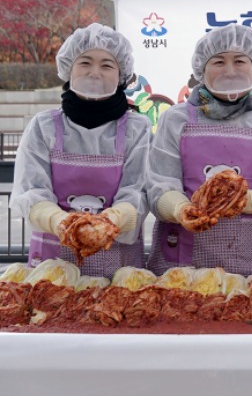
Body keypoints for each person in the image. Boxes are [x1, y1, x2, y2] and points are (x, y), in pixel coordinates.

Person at [146, 24, 252, 276]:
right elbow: (159, 185)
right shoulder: (177, 119)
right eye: (218, 62)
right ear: (202, 68)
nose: (230, 70)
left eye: (239, 61)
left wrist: (246, 200)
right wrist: (180, 209)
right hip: (182, 265)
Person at [12, 23, 149, 278]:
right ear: (68, 70)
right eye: (85, 63)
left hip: (118, 267)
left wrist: (110, 222)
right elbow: (31, 191)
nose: (95, 72)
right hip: (51, 266)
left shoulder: (137, 128)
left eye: (107, 65)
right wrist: (60, 222)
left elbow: (137, 192)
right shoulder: (43, 126)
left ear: (121, 75)